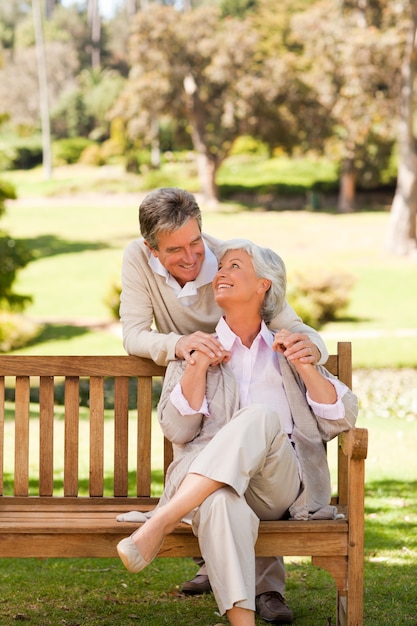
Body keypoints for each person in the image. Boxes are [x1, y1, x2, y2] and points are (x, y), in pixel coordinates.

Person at [117, 239, 358, 626]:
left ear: (264, 284)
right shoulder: (197, 349)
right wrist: (196, 367)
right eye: (221, 268)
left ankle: (160, 522)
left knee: (260, 417)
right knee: (219, 503)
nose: (220, 273)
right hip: (206, 483)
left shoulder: (288, 347)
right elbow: (176, 429)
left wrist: (307, 365)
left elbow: (342, 417)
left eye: (234, 266)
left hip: (277, 485)